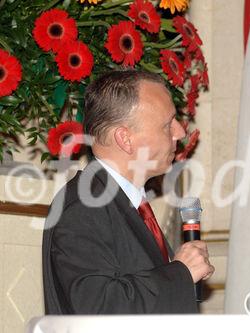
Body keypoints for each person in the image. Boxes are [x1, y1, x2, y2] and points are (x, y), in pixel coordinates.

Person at [42, 70, 214, 314]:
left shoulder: (119, 202)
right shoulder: (84, 207)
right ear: (125, 139)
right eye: (167, 125)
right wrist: (180, 273)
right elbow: (99, 309)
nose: (180, 132)